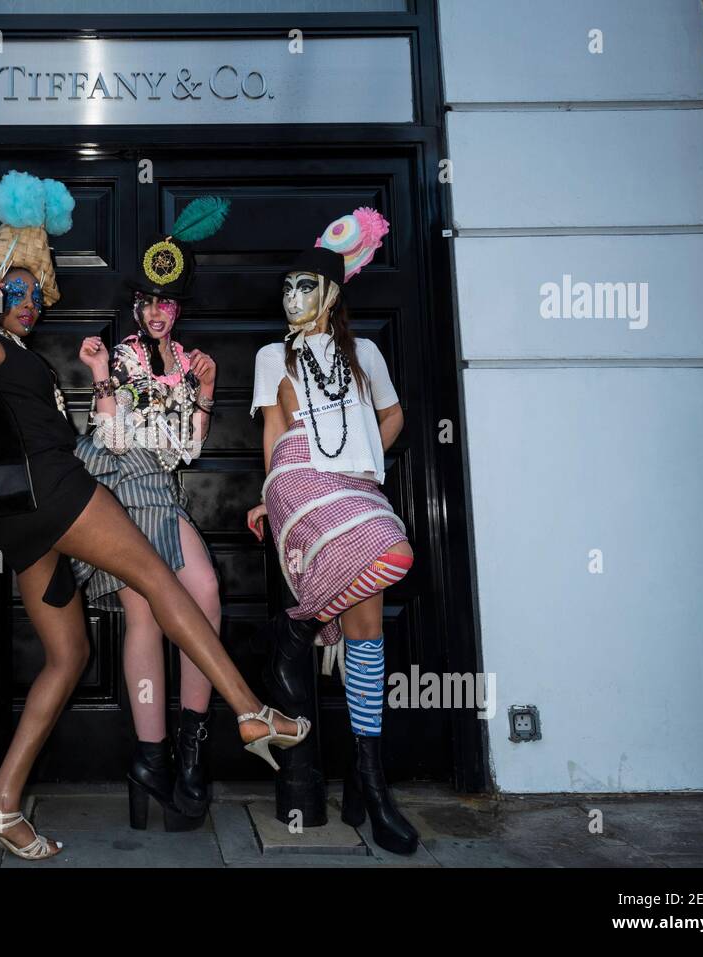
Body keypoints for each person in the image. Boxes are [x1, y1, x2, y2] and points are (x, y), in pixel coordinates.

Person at [0, 171, 309, 862]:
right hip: (52, 488)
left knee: (69, 654)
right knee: (161, 578)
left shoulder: (19, 352)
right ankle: (249, 710)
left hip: (27, 517)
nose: (31, 300)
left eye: (38, 290)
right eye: (19, 287)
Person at [245, 206, 420, 855]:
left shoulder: (365, 350)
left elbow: (393, 414)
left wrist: (366, 461)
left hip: (352, 485)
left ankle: (366, 783)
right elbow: (271, 430)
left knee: (365, 623)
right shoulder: (273, 354)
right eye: (288, 287)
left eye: (305, 286)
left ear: (332, 293)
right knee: (388, 546)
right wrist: (269, 496)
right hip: (297, 478)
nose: (294, 297)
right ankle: (370, 789)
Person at [72, 197, 229, 830]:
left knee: (206, 594)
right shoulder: (121, 357)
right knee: (141, 611)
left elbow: (185, 450)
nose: (159, 312)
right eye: (149, 301)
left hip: (161, 493)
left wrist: (209, 394)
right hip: (122, 491)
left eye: (168, 302)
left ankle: (189, 752)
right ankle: (152, 756)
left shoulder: (189, 365)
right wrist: (101, 378)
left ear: (177, 307)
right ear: (135, 304)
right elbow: (112, 443)